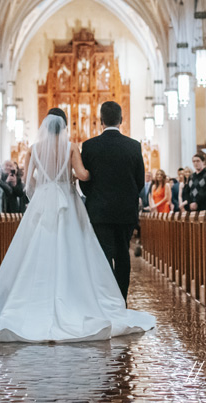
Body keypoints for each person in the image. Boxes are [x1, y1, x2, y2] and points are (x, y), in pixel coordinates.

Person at [0, 107, 155, 342]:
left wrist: (41, 190)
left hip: (42, 200)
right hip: (65, 200)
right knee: (72, 248)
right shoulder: (70, 147)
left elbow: (28, 183)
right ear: (65, 125)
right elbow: (83, 175)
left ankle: (32, 299)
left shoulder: (33, 150)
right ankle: (74, 298)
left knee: (37, 249)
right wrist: (78, 176)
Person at [80, 101, 146, 302]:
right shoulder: (133, 146)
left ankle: (107, 299)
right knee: (123, 254)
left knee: (104, 255)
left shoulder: (89, 146)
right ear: (121, 120)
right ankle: (121, 299)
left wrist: (96, 197)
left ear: (100, 121)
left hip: (99, 211)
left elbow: (85, 182)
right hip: (125, 211)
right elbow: (140, 181)